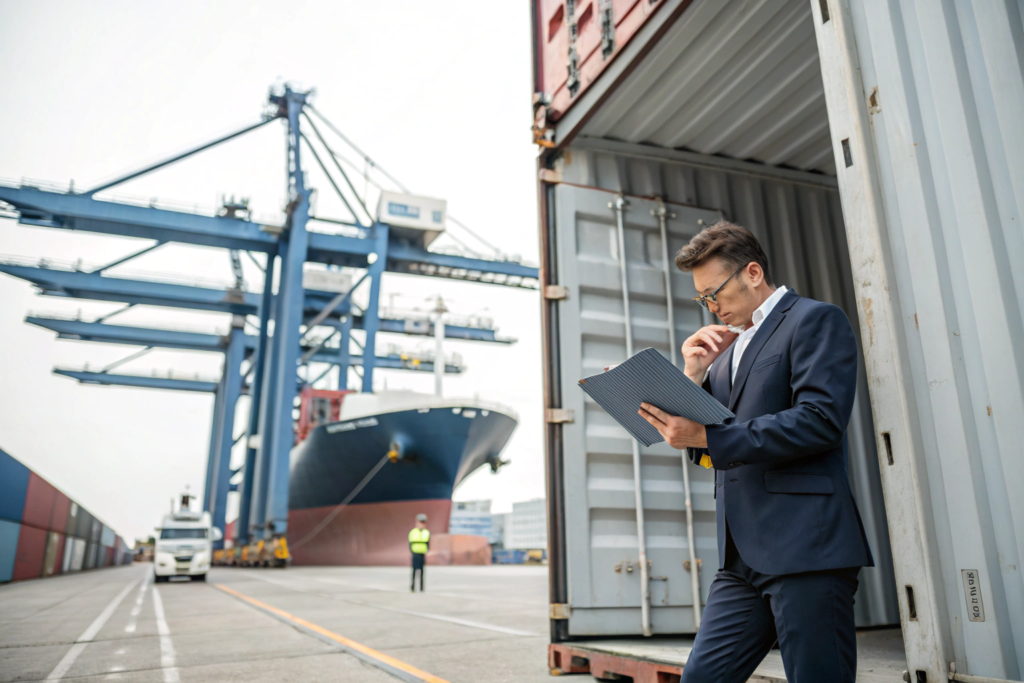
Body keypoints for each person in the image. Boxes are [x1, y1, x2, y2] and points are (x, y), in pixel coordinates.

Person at [637, 221, 873, 683]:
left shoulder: (814, 320)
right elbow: (711, 450)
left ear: (752, 272)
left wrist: (706, 438)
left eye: (714, 293)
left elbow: (820, 421)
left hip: (805, 549)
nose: (711, 307)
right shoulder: (725, 354)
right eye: (702, 299)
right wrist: (693, 376)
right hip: (740, 559)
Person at [408, 513, 430, 592]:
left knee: (422, 571)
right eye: (421, 522)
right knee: (414, 571)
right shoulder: (413, 532)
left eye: (423, 522)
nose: (422, 524)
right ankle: (413, 587)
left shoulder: (426, 532)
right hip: (415, 554)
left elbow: (428, 543)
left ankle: (421, 588)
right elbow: (410, 543)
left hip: (422, 554)